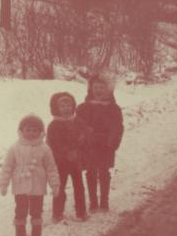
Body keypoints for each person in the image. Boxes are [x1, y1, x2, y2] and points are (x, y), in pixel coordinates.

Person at [0, 114, 60, 236]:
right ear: (22, 130)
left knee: (36, 211)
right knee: (20, 210)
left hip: (38, 186)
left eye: (34, 130)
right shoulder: (15, 147)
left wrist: (54, 184)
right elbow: (7, 166)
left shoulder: (44, 148)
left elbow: (51, 168)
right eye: (28, 130)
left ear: (40, 131)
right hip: (20, 185)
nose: (31, 133)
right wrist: (3, 183)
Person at [76, 74, 123, 212]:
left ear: (108, 90)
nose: (98, 90)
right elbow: (78, 125)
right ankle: (93, 202)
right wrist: (82, 138)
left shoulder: (114, 108)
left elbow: (118, 127)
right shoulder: (83, 107)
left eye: (102, 87)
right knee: (90, 172)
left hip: (105, 145)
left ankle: (104, 201)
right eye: (96, 87)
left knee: (104, 172)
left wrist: (112, 142)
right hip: (89, 145)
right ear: (90, 89)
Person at [46, 91, 89, 222]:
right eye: (62, 106)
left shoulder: (78, 121)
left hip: (76, 161)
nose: (66, 109)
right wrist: (65, 153)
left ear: (73, 106)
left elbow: (86, 135)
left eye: (69, 105)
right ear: (56, 108)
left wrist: (81, 143)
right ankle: (57, 213)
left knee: (79, 186)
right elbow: (52, 144)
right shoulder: (54, 125)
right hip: (61, 162)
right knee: (60, 187)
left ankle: (81, 212)